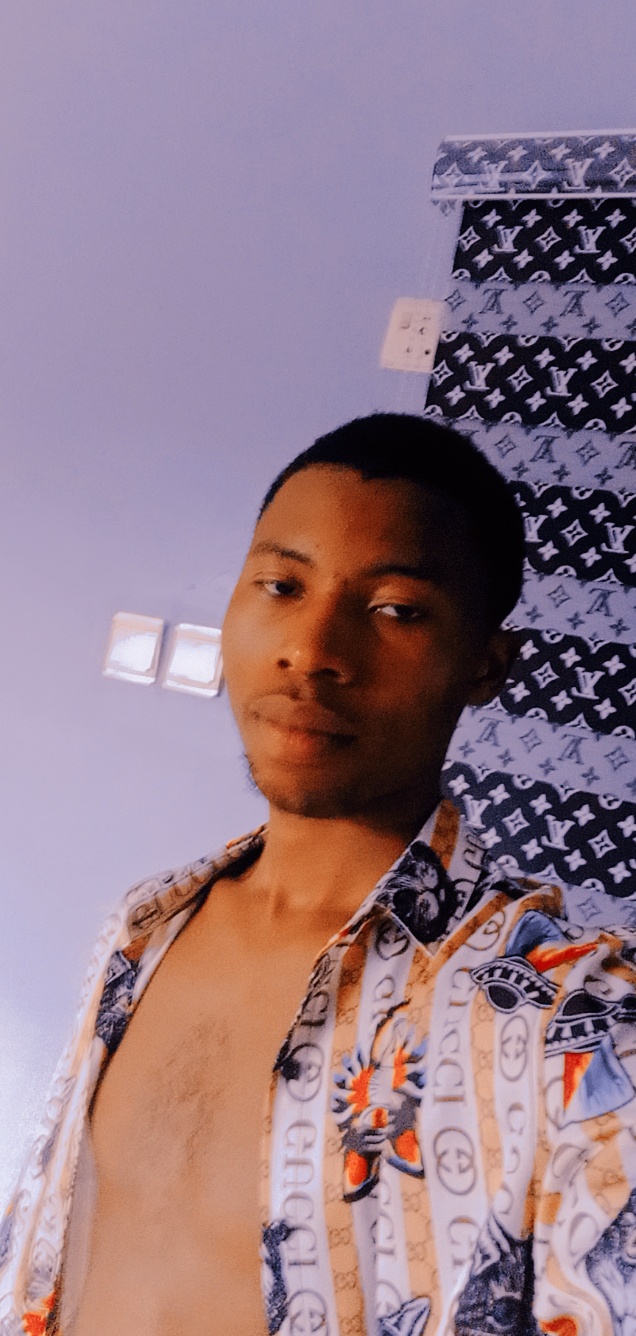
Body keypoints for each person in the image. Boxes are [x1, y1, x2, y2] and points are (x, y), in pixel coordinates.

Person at [2, 413, 636, 1336]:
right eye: (282, 586)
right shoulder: (144, 927)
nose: (312, 649)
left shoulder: (573, 1022)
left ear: (486, 666)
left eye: (396, 610)